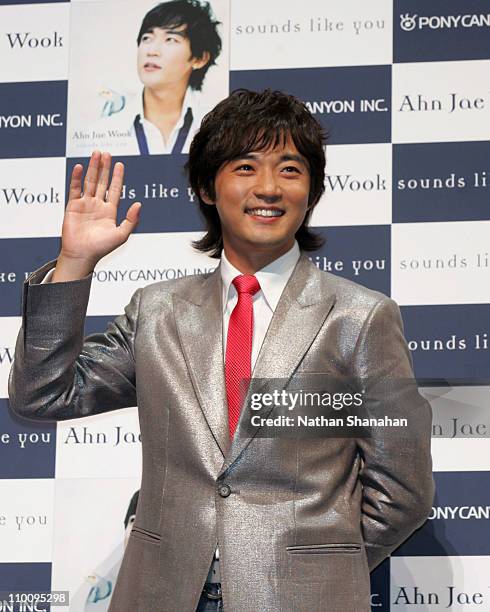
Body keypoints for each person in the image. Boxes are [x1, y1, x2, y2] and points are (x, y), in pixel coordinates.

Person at [9, 89, 434, 611]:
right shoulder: (157, 312)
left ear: (312, 190)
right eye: (245, 167)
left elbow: (402, 490)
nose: (269, 188)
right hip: (161, 595)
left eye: (290, 169)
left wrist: (311, 566)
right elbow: (41, 396)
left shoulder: (359, 318)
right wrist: (74, 264)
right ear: (208, 187)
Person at [69, 0, 222, 157]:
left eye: (170, 39)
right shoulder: (100, 135)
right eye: (147, 38)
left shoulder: (218, 130)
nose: (152, 50)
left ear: (199, 59)